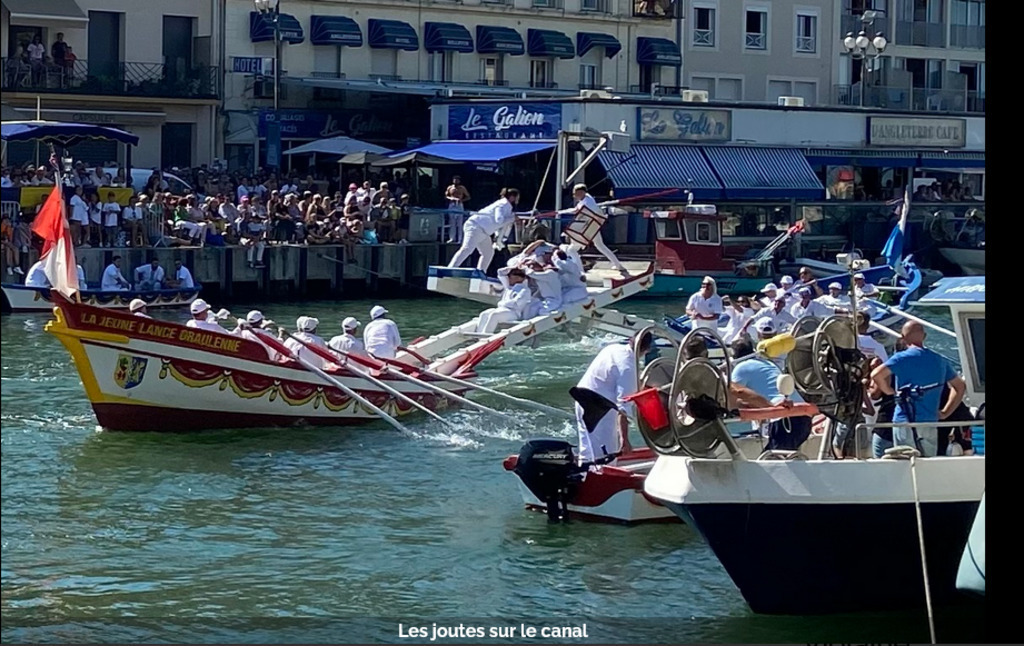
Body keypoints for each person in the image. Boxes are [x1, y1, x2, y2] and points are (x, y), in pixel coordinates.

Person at [869, 321, 966, 457]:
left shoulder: (900, 358)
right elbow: (960, 386)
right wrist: (945, 412)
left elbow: (876, 375)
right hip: (929, 420)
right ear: (924, 336)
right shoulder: (939, 360)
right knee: (927, 463)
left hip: (904, 420)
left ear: (903, 337)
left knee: (905, 463)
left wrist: (890, 392)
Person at [570, 332, 651, 465]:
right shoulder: (628, 368)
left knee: (587, 449)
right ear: (647, 350)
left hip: (581, 397)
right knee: (606, 456)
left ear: (630, 340)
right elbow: (623, 409)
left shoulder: (612, 348)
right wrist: (624, 440)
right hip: (599, 409)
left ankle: (584, 475)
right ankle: (598, 479)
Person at [728, 336, 812, 452]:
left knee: (774, 463)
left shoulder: (741, 367)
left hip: (783, 416)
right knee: (782, 457)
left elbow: (737, 392)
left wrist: (731, 410)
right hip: (803, 416)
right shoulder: (767, 363)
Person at [447, 188, 520, 272]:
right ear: (512, 197)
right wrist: (512, 218)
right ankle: (450, 269)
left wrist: (498, 237)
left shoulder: (507, 206)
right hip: (475, 227)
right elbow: (499, 220)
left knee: (488, 253)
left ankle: (480, 273)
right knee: (467, 249)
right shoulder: (502, 204)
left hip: (484, 231)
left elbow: (502, 223)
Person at [563, 183, 627, 274]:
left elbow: (577, 212)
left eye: (575, 194)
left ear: (581, 192)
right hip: (592, 227)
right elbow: (576, 210)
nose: (574, 196)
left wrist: (561, 212)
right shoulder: (587, 197)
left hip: (588, 229)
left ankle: (580, 272)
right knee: (601, 246)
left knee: (571, 250)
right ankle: (618, 265)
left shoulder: (586, 204)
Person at [476, 267, 532, 334]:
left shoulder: (525, 290)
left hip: (513, 313)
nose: (508, 279)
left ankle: (485, 334)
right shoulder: (509, 287)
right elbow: (500, 272)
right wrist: (514, 266)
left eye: (511, 277)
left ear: (519, 278)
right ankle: (478, 334)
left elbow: (515, 304)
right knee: (484, 314)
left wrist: (501, 303)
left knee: (494, 315)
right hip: (501, 309)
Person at [444, 175, 471, 244]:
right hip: (452, 204)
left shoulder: (462, 188)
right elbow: (446, 196)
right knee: (452, 222)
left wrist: (461, 200)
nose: (456, 181)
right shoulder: (450, 187)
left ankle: (460, 239)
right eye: (455, 180)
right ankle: (452, 238)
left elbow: (468, 196)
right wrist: (451, 198)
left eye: (457, 180)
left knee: (459, 222)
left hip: (459, 205)